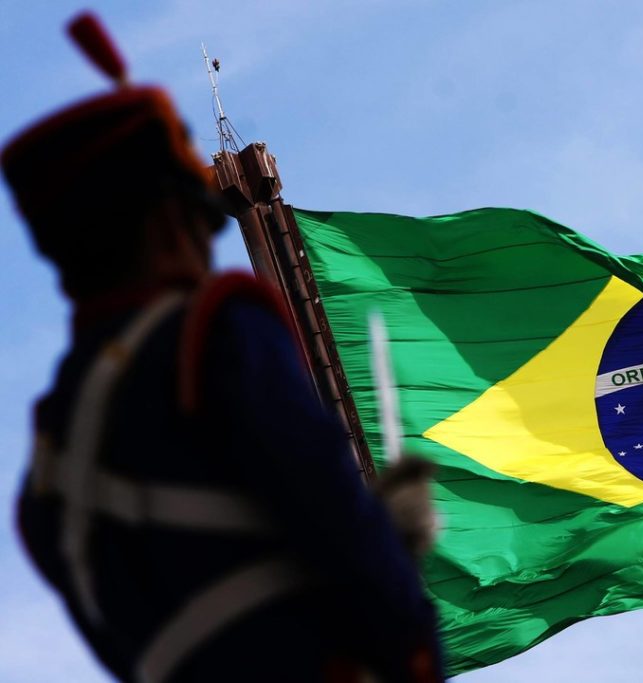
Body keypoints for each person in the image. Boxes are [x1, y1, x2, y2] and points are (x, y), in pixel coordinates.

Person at [2, 13, 442, 683]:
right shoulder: (216, 327)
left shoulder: (47, 471)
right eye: (196, 218)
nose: (204, 244)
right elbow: (326, 507)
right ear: (166, 219)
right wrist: (397, 581)